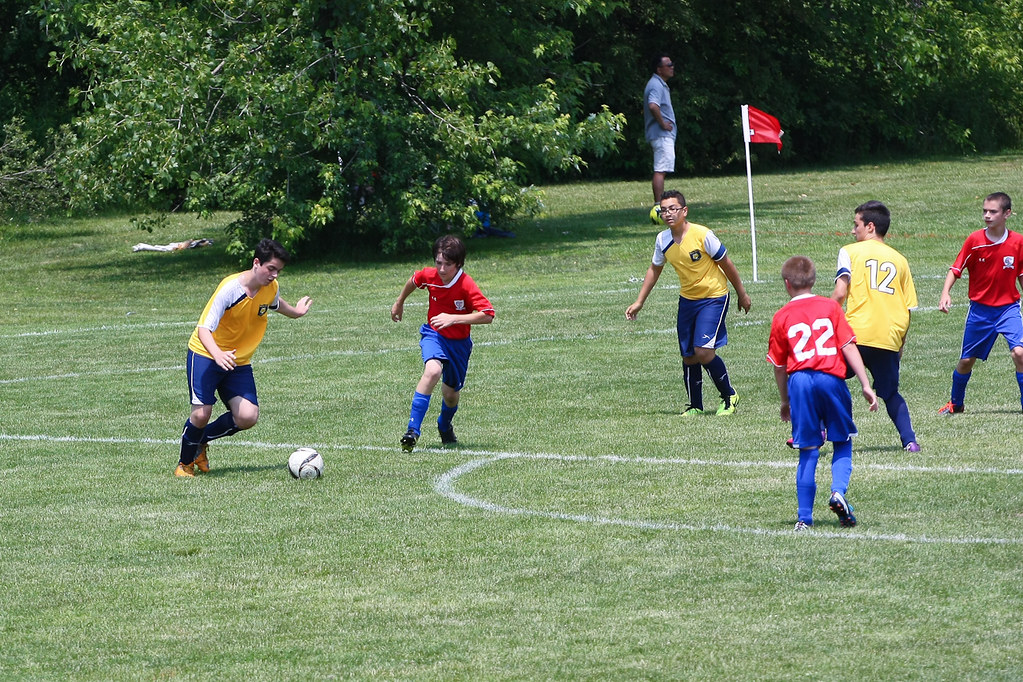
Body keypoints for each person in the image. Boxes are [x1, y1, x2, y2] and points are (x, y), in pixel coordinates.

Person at [175, 238, 313, 477]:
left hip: (237, 361)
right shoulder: (230, 289)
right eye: (271, 269)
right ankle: (185, 464)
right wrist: (217, 354)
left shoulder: (270, 287)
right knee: (200, 413)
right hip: (206, 354)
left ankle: (200, 440)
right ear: (256, 262)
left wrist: (296, 313)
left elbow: (275, 304)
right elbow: (203, 329)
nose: (274, 275)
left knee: (247, 416)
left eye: (278, 271)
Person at [767, 256, 878, 531]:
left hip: (800, 381)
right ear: (814, 280)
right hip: (831, 378)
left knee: (807, 449)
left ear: (787, 284)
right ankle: (838, 491)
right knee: (842, 440)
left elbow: (780, 367)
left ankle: (804, 518)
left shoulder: (781, 316)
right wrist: (865, 383)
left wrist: (785, 401)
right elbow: (849, 346)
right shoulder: (830, 307)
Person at [626, 190, 751, 416]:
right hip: (688, 300)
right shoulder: (663, 240)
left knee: (703, 351)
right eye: (663, 210)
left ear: (684, 211)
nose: (668, 213)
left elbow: (727, 264)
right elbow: (655, 269)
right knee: (689, 355)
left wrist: (742, 294)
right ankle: (695, 406)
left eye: (673, 208)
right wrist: (639, 301)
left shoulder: (703, 235)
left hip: (714, 296)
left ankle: (729, 395)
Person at [391, 235, 495, 451]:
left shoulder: (466, 285)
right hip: (434, 334)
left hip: (459, 344)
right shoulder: (430, 275)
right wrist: (399, 302)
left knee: (450, 396)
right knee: (432, 371)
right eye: (439, 262)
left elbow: (488, 314)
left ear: (458, 264)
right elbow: (414, 280)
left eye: (448, 264)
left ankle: (444, 424)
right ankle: (412, 431)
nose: (442, 269)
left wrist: (454, 318)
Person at [832, 200, 920, 452]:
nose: (853, 230)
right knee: (890, 393)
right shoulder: (900, 260)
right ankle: (910, 441)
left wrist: (823, 316)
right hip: (888, 336)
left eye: (856, 224)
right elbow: (908, 308)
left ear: (870, 226)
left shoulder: (850, 251)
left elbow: (840, 293)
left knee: (828, 379)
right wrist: (900, 344)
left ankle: (820, 430)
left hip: (856, 335)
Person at [938, 192, 1023, 414]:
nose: (987, 215)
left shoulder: (1018, 242)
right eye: (985, 211)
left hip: (1008, 309)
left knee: (1020, 354)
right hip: (981, 312)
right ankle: (956, 403)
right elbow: (956, 269)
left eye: (993, 211)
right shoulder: (975, 241)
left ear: (1007, 214)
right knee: (966, 361)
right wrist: (945, 293)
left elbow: (1021, 273)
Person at [643, 54, 676, 203]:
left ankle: (659, 204)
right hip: (661, 135)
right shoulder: (656, 84)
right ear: (659, 69)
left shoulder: (659, 84)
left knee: (661, 169)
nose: (672, 67)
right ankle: (658, 205)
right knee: (660, 170)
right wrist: (663, 124)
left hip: (661, 135)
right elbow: (652, 105)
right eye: (668, 65)